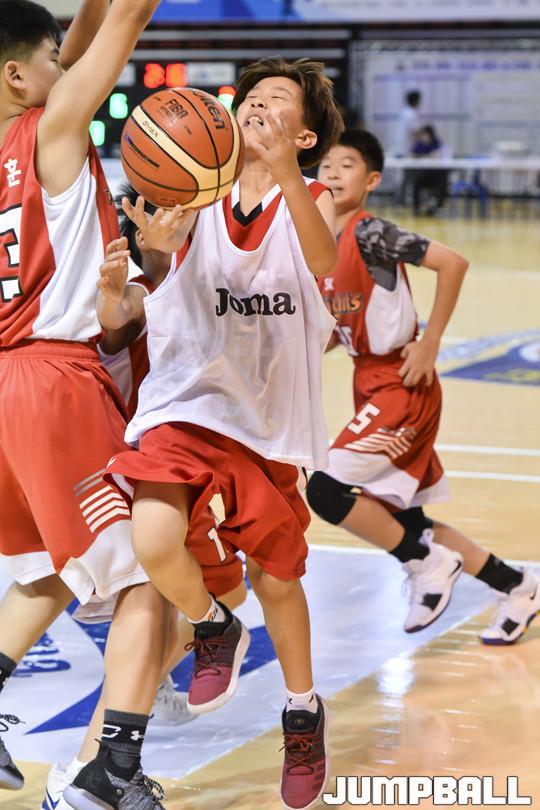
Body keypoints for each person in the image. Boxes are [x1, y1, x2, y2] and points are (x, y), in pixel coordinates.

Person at [103, 56, 343, 810]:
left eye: (279, 101)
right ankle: (213, 625)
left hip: (265, 421)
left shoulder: (314, 198)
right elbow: (155, 287)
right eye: (253, 96)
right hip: (185, 401)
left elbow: (324, 261)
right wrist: (152, 252)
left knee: (277, 578)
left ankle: (301, 712)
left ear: (304, 136)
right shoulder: (195, 194)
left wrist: (288, 174)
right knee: (152, 538)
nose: (260, 106)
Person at [0, 2, 173, 809]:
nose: (66, 70)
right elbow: (129, 15)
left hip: (8, 386)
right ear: (19, 76)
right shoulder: (53, 128)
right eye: (53, 61)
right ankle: (108, 776)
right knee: (155, 572)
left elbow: (78, 37)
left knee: (44, 569)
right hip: (55, 383)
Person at [43, 189, 248, 809]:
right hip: (126, 469)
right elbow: (117, 316)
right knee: (175, 592)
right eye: (162, 214)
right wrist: (114, 294)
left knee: (208, 595)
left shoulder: (200, 281)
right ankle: (85, 771)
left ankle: (135, 703)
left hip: (162, 466)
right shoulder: (136, 288)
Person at [309, 129, 540, 644]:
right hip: (370, 382)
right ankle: (518, 585)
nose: (333, 172)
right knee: (406, 520)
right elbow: (336, 328)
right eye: (325, 165)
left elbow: (452, 262)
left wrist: (431, 340)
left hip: (402, 382)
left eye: (346, 165)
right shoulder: (322, 247)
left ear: (371, 180)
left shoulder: (371, 234)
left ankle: (424, 563)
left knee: (325, 490)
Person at [411, 125, 448, 215]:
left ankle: (438, 207)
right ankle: (416, 208)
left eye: (425, 134)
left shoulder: (437, 143)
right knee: (417, 183)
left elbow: (437, 155)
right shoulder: (420, 144)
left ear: (430, 135)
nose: (423, 137)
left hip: (437, 174)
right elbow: (412, 154)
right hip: (426, 175)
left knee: (443, 184)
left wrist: (428, 155)